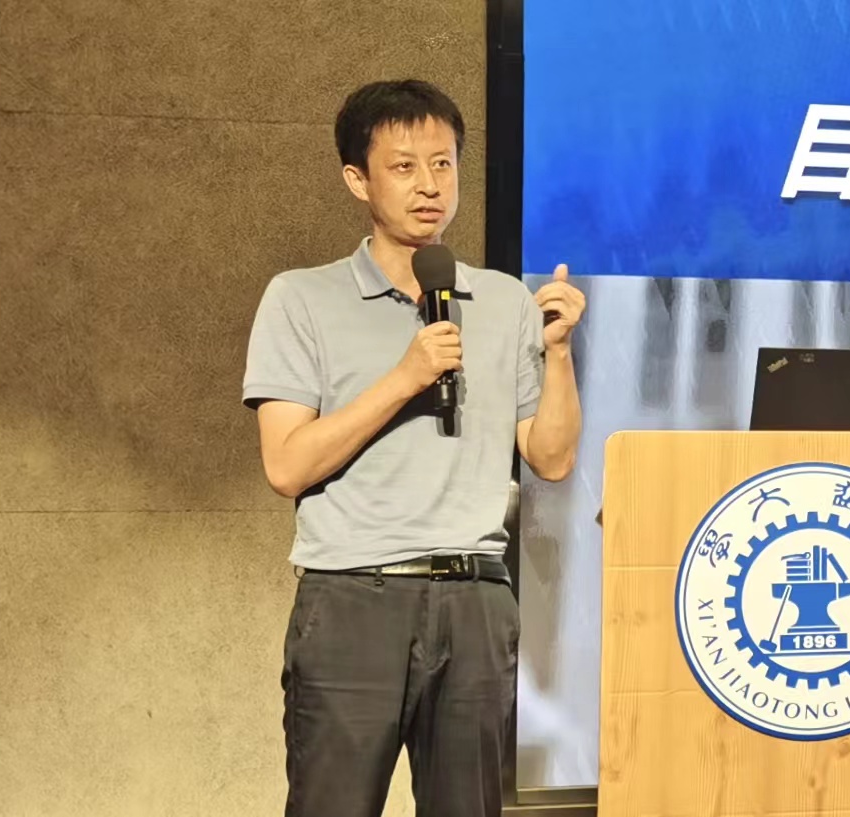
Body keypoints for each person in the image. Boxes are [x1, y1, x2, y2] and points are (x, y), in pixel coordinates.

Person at [240, 79, 584, 817]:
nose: (429, 185)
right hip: (353, 598)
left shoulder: (504, 301)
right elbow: (287, 465)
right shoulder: (301, 298)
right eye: (403, 166)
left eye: (443, 163)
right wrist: (405, 378)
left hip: (476, 599)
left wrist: (557, 353)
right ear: (357, 179)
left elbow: (551, 458)